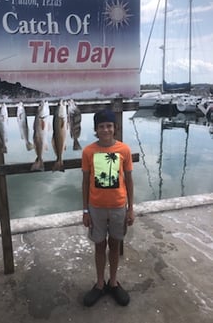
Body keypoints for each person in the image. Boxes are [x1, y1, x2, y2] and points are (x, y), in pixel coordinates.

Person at [82, 108, 134, 307]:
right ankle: (99, 283)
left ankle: (113, 282)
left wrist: (130, 208)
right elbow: (85, 183)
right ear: (96, 130)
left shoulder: (124, 150)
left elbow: (129, 180)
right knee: (99, 246)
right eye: (101, 127)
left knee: (115, 245)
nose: (105, 130)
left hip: (119, 206)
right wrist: (85, 210)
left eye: (109, 126)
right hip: (96, 208)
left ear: (115, 128)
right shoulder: (88, 151)